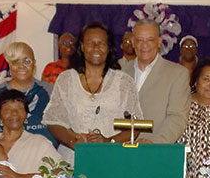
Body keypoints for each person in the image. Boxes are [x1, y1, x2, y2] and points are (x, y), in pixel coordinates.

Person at [44, 21, 142, 164]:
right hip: (73, 159)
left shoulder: (124, 82)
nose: (96, 48)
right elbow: (53, 120)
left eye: (101, 43)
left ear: (108, 48)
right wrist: (73, 141)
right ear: (82, 47)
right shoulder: (66, 79)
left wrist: (109, 141)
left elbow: (136, 125)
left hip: (113, 160)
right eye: (90, 43)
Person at [121, 19, 191, 144]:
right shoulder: (119, 72)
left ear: (159, 42)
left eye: (150, 40)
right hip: (120, 152)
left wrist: (156, 144)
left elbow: (177, 118)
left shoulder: (177, 74)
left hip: (156, 152)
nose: (144, 45)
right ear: (133, 42)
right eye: (140, 40)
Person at [0, 41, 56, 147]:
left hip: (44, 156)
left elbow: (62, 127)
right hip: (8, 156)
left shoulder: (49, 90)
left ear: (34, 63)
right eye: (16, 62)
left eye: (27, 61)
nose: (21, 66)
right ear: (10, 66)